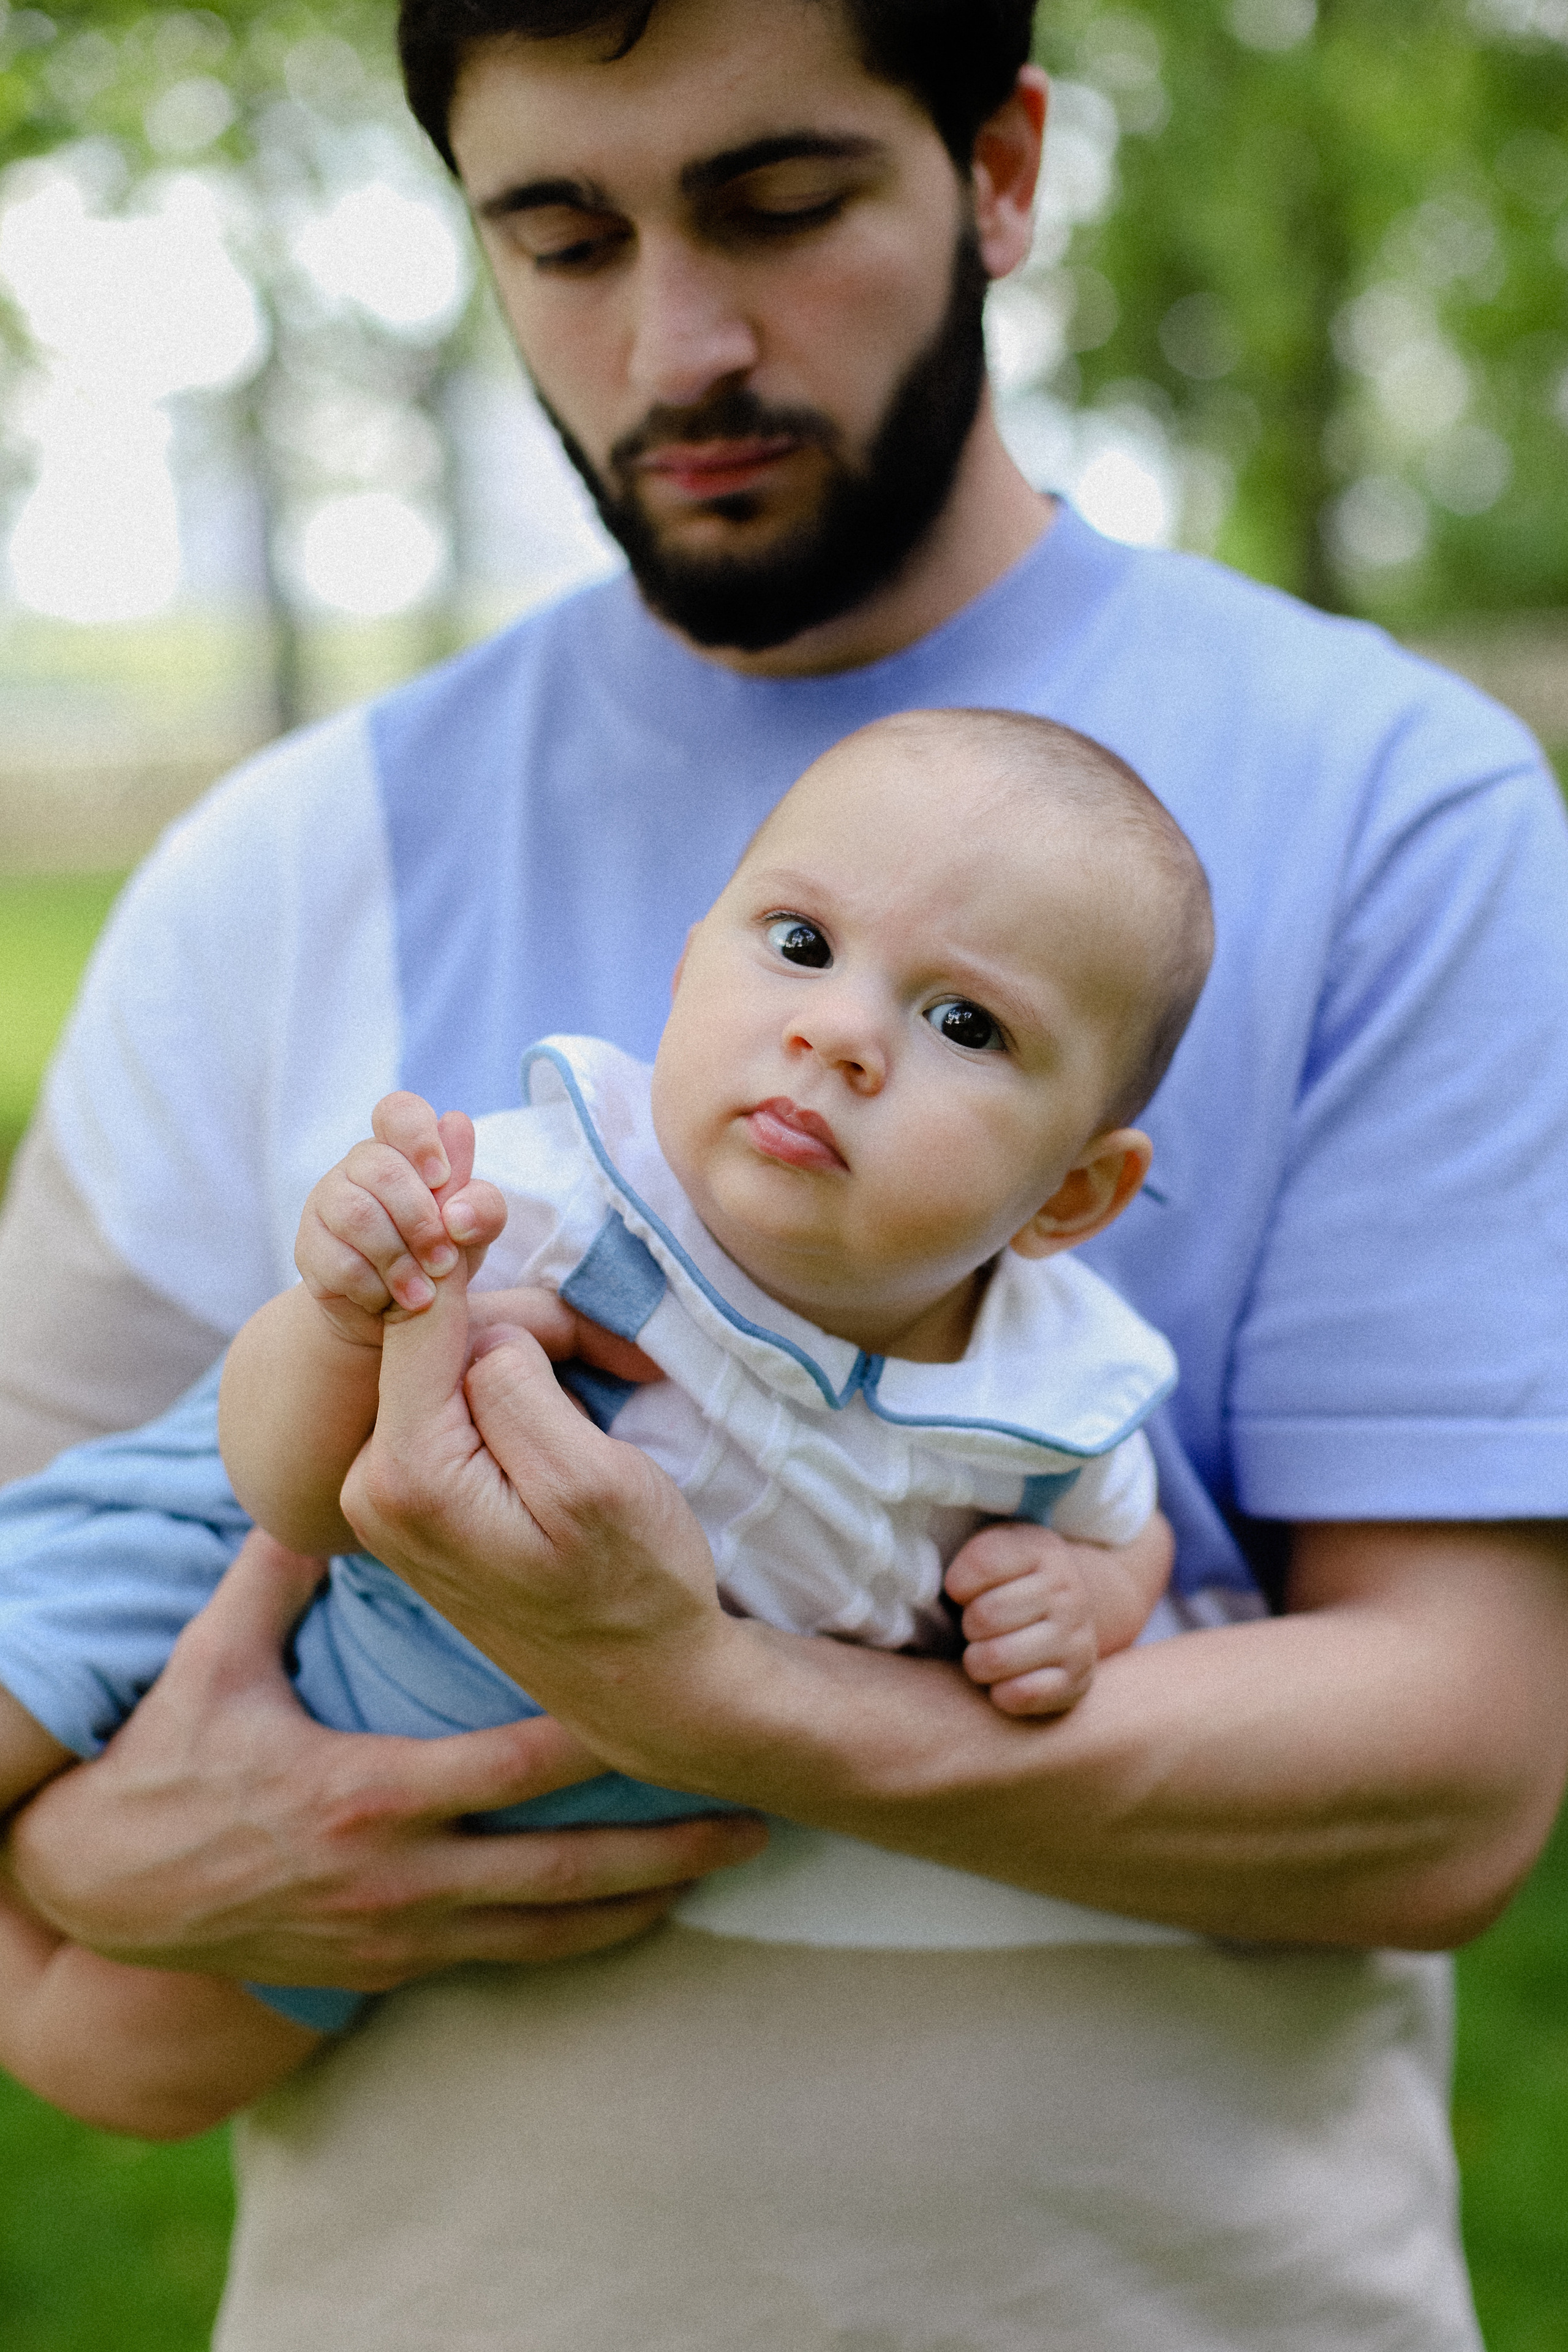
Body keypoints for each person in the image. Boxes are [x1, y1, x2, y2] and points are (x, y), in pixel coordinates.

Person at [1, 0, 1566, 2342]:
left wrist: (705, 1701)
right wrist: (127, 1890)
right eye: (561, 234)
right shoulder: (285, 860)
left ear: (1004, 166)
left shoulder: (1403, 809)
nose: (680, 339)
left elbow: (1453, 1785)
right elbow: (77, 1642)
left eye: (780, 204)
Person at [0, 706, 1204, 2100]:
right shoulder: (561, 1202)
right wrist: (349, 1315)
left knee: (118, 2069)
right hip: (230, 1535)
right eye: (801, 947)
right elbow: (287, 1492)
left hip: (477, 1749)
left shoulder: (1043, 1397)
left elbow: (1127, 1536)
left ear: (1072, 1194)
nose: (837, 1033)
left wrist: (1078, 1600)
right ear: (690, 973)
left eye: (963, 1022)